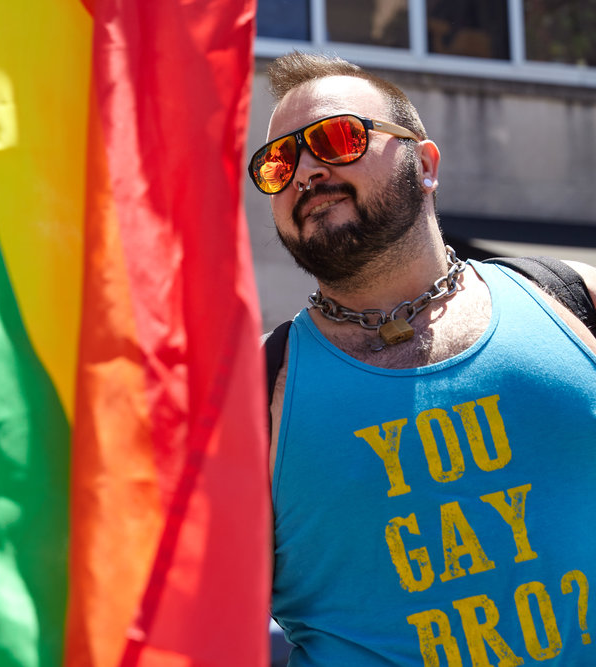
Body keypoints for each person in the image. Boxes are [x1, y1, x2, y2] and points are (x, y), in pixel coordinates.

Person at [250, 51, 596, 666]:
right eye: (278, 163)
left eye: (336, 138)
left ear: (425, 164)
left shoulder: (575, 298)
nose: (304, 171)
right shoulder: (251, 396)